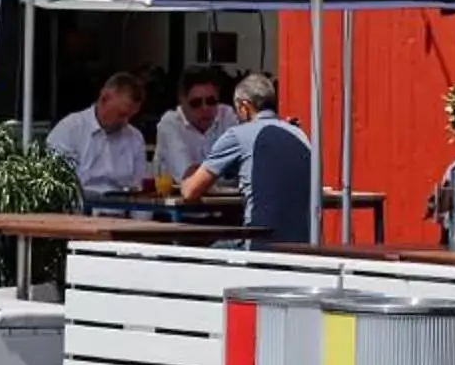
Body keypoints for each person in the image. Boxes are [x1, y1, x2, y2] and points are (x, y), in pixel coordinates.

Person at [179, 71, 315, 247]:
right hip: (302, 243)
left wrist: (184, 182)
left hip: (260, 243)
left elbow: (190, 192)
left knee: (203, 253)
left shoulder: (237, 135)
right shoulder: (298, 133)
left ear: (244, 107)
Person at [48, 71, 151, 199]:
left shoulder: (134, 137)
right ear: (104, 98)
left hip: (122, 213)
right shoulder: (70, 129)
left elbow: (140, 190)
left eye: (130, 116)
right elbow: (58, 185)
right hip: (81, 213)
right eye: (121, 114)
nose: (125, 122)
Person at [154, 68, 228, 180]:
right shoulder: (170, 123)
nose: (205, 108)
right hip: (178, 196)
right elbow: (188, 175)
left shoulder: (226, 115)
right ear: (182, 101)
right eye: (196, 103)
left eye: (211, 101)